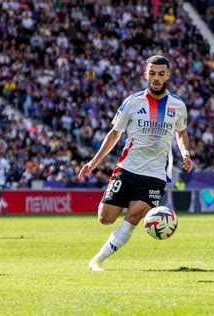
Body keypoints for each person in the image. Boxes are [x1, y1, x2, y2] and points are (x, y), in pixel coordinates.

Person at [78, 55, 194, 271]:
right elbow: (114, 134)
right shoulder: (132, 102)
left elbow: (181, 132)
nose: (156, 78)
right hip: (127, 168)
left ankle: (97, 260)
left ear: (167, 75)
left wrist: (185, 153)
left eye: (161, 74)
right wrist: (95, 161)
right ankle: (122, 215)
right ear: (145, 74)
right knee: (105, 218)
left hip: (155, 174)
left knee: (135, 213)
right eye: (152, 73)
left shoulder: (178, 105)